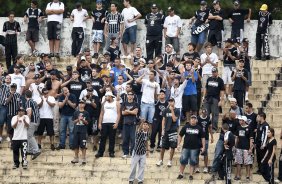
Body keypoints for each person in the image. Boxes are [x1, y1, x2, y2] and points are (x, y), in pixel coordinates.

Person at [177, 115, 205, 180]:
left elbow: (203, 138)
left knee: (192, 161)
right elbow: (180, 135)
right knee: (183, 160)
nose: (193, 120)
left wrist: (203, 147)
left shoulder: (199, 128)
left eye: (194, 119)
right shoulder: (186, 127)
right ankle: (181, 174)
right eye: (192, 118)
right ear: (190, 120)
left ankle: (191, 175)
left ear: (196, 120)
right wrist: (178, 144)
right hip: (186, 147)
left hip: (195, 148)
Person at [95, 91, 120, 158]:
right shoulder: (104, 104)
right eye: (105, 96)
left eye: (106, 96)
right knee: (103, 138)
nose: (105, 97)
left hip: (112, 123)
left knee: (112, 138)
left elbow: (118, 114)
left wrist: (116, 123)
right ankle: (100, 152)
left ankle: (111, 152)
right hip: (104, 123)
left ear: (111, 96)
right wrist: (99, 123)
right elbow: (101, 114)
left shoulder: (116, 103)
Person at [156, 97, 179, 167]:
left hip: (173, 130)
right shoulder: (165, 110)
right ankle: (160, 160)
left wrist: (172, 111)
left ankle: (170, 161)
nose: (170, 102)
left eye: (172, 101)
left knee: (173, 146)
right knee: (163, 146)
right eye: (169, 101)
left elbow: (175, 120)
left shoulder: (177, 110)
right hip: (166, 130)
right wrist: (162, 130)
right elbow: (163, 120)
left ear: (174, 102)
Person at [202, 67, 225, 131]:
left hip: (215, 98)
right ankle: (206, 127)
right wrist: (203, 97)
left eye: (215, 72)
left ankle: (214, 128)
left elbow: (222, 90)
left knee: (215, 114)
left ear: (217, 72)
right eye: (212, 72)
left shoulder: (220, 80)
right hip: (207, 98)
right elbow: (206, 88)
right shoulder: (209, 79)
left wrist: (221, 100)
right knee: (206, 113)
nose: (213, 73)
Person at [234, 115, 254, 181]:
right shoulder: (238, 127)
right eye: (239, 120)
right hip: (239, 148)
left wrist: (251, 148)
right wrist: (235, 146)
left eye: (241, 120)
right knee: (238, 162)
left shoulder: (249, 128)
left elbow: (251, 139)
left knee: (247, 163)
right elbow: (237, 137)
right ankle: (238, 175)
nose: (239, 121)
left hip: (246, 148)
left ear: (244, 121)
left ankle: (248, 175)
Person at [71, 100, 90, 165]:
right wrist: (78, 119)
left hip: (83, 131)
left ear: (84, 104)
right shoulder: (76, 112)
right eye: (80, 103)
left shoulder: (86, 113)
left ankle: (83, 158)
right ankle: (76, 158)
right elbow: (73, 122)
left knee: (83, 145)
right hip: (76, 130)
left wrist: (83, 120)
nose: (81, 104)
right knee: (76, 145)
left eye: (82, 103)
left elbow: (87, 123)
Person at [121, 91, 139, 158]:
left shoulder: (136, 104)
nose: (130, 95)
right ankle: (125, 153)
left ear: (133, 96)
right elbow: (123, 113)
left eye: (131, 94)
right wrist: (131, 111)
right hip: (125, 123)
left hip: (133, 123)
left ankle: (132, 153)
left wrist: (127, 111)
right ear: (127, 96)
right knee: (125, 139)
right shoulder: (124, 103)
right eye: (129, 94)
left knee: (133, 139)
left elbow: (135, 113)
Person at [24, 90, 41, 160]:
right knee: (29, 135)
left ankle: (36, 150)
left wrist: (27, 122)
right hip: (37, 121)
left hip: (32, 121)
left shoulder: (28, 102)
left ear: (25, 96)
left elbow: (29, 113)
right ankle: (30, 150)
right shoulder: (34, 102)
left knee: (29, 136)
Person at [197, 108, 213, 173]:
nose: (204, 114)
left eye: (205, 113)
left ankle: (205, 167)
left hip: (206, 136)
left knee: (205, 152)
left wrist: (212, 137)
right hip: (198, 137)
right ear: (201, 113)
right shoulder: (198, 118)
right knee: (197, 152)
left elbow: (210, 127)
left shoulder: (208, 118)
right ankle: (197, 166)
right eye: (203, 113)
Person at [0, 76, 10, 143]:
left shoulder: (6, 87)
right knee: (0, 122)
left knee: (4, 121)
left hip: (4, 106)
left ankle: (8, 136)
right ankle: (0, 136)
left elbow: (8, 96)